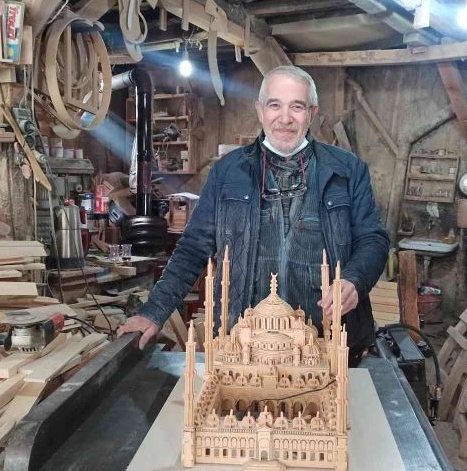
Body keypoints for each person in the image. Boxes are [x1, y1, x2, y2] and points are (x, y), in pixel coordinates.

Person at [117, 65, 390, 365]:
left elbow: (373, 240)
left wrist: (354, 279)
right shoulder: (227, 172)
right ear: (260, 111)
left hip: (329, 346)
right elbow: (193, 249)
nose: (284, 118)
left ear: (312, 113)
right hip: (244, 347)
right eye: (275, 105)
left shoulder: (348, 171)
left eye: (296, 107)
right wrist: (153, 311)